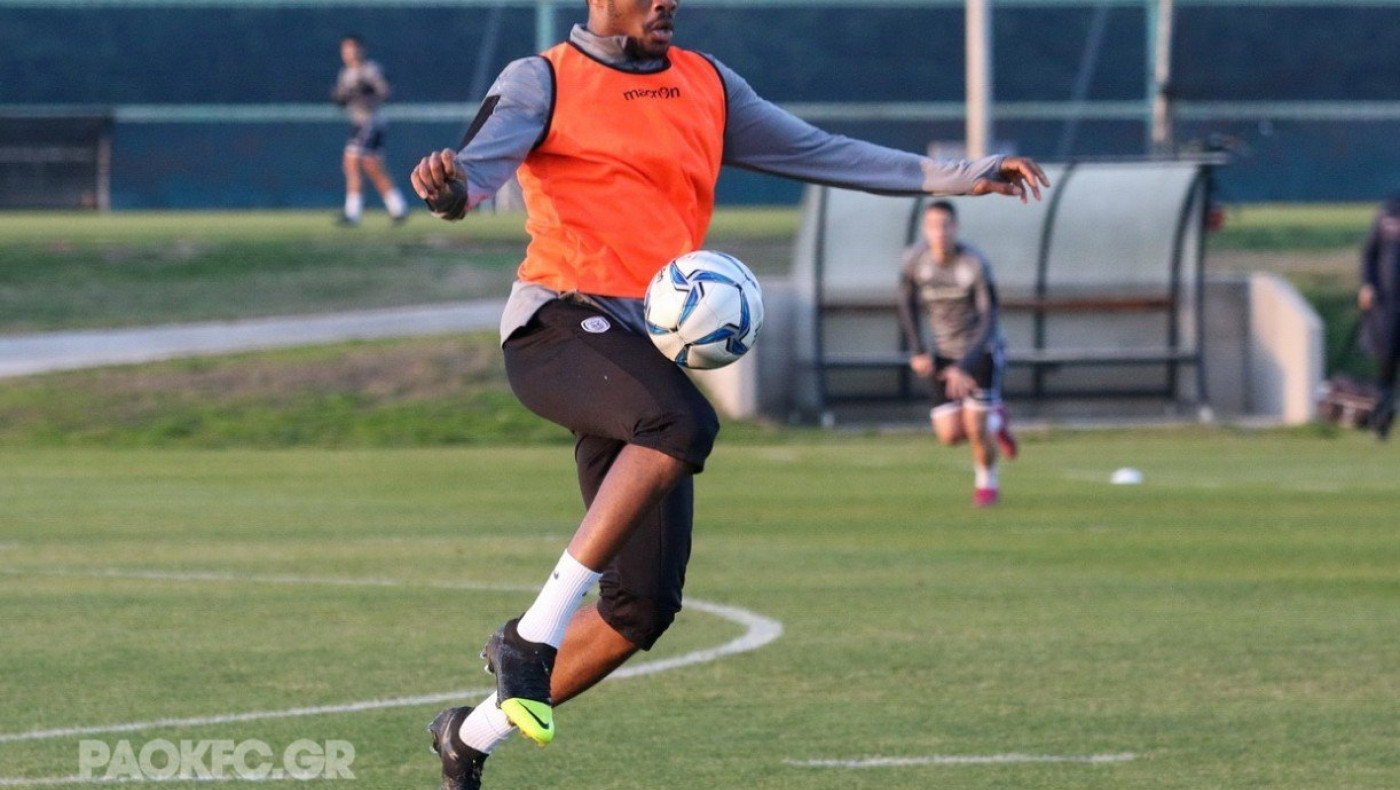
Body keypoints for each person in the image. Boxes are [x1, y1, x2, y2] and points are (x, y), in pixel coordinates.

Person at [408, 1, 1049, 787]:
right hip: (558, 325)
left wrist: (967, 176)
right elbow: (469, 178)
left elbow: (825, 152)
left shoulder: (706, 83)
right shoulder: (543, 79)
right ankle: (530, 637)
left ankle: (467, 737)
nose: (667, 3)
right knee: (681, 423)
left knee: (641, 609)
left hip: (642, 355)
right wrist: (447, 191)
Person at [897, 200, 1018, 507]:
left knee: (975, 427)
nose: (940, 232)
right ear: (925, 229)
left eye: (946, 225)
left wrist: (965, 365)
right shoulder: (915, 261)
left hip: (980, 351)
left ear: (956, 227)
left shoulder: (973, 263)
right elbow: (906, 304)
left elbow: (989, 317)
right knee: (950, 435)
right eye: (933, 226)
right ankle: (996, 421)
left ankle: (987, 484)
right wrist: (919, 350)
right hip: (943, 352)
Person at [332, 34, 408, 226]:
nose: (349, 54)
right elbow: (341, 99)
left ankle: (353, 212)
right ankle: (398, 208)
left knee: (351, 162)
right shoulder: (346, 74)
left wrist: (367, 98)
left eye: (353, 49)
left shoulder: (371, 70)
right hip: (358, 123)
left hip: (371, 122)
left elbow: (386, 91)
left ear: (361, 50)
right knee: (373, 167)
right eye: (346, 50)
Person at [1359, 193, 1400, 439]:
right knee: (1387, 366)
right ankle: (1382, 422)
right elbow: (1369, 255)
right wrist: (1367, 285)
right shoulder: (1387, 215)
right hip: (1387, 306)